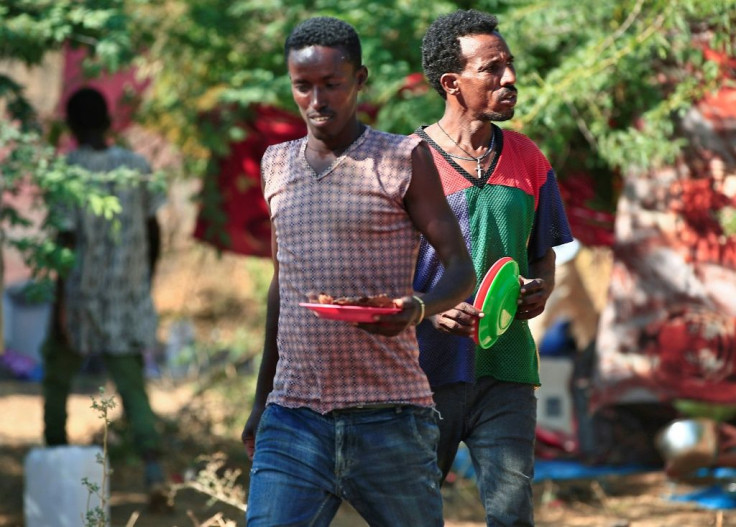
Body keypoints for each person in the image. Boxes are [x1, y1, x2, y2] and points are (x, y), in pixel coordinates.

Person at [240, 16, 476, 527]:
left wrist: (417, 309)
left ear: (360, 80)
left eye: (332, 84)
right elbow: (283, 286)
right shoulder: (276, 165)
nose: (317, 100)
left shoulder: (401, 158)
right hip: (294, 415)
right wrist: (262, 401)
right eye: (303, 87)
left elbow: (461, 269)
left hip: (390, 417)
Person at [412, 9, 574, 526]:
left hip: (505, 369)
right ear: (451, 83)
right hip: (423, 374)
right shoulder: (407, 161)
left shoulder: (530, 160)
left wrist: (540, 289)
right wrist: (429, 312)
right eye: (492, 68)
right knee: (413, 514)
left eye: (510, 66)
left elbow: (543, 253)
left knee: (511, 514)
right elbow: (378, 269)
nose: (510, 79)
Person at [42, 87, 169, 508]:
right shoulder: (136, 167)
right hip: (127, 297)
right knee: (132, 385)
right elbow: (153, 230)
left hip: (81, 297)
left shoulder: (69, 172)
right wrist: (144, 279)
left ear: (72, 126)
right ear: (109, 121)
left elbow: (65, 239)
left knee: (58, 372)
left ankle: (56, 462)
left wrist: (59, 309)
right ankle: (154, 474)